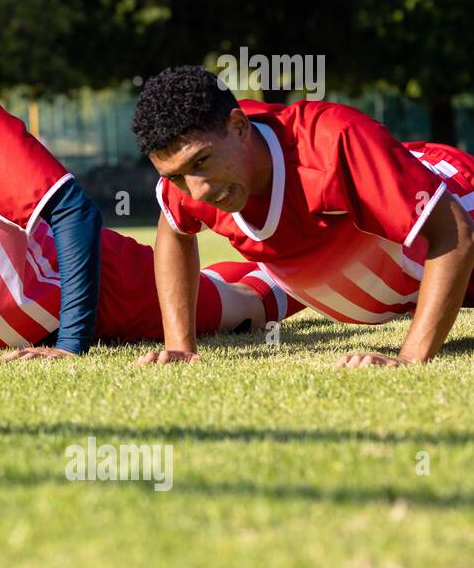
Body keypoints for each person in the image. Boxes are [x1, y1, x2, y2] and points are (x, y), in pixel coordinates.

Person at [0, 0, 294, 355]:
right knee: (222, 289)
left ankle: (304, 272)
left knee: (240, 310)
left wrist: (69, 343)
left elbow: (73, 210)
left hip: (108, 291)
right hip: (30, 320)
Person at [131, 65, 474, 367]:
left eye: (201, 162)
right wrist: (180, 346)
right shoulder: (195, 168)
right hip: (377, 268)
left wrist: (410, 358)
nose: (198, 191)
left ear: (238, 127)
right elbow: (174, 229)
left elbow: (455, 233)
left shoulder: (334, 144)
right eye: (176, 176)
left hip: (454, 199)